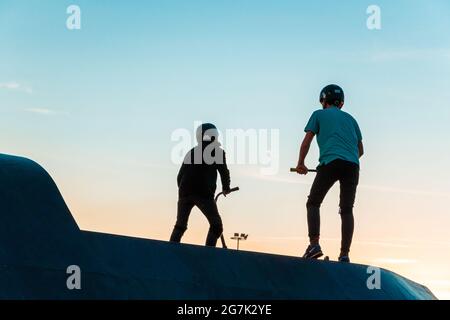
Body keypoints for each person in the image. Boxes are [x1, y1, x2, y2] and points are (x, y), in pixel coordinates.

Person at [295, 85, 364, 262]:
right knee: (347, 209)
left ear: (323, 101)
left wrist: (301, 163)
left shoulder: (318, 114)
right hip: (352, 165)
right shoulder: (351, 119)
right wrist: (347, 157)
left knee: (313, 202)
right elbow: (360, 150)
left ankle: (314, 245)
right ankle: (344, 254)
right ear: (341, 103)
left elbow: (306, 142)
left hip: (330, 162)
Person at [170, 123, 231, 247]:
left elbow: (179, 176)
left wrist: (184, 192)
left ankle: (170, 250)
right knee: (216, 225)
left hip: (184, 192)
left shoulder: (191, 152)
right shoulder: (217, 152)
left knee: (180, 225)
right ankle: (208, 253)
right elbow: (224, 172)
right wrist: (226, 188)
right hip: (203, 193)